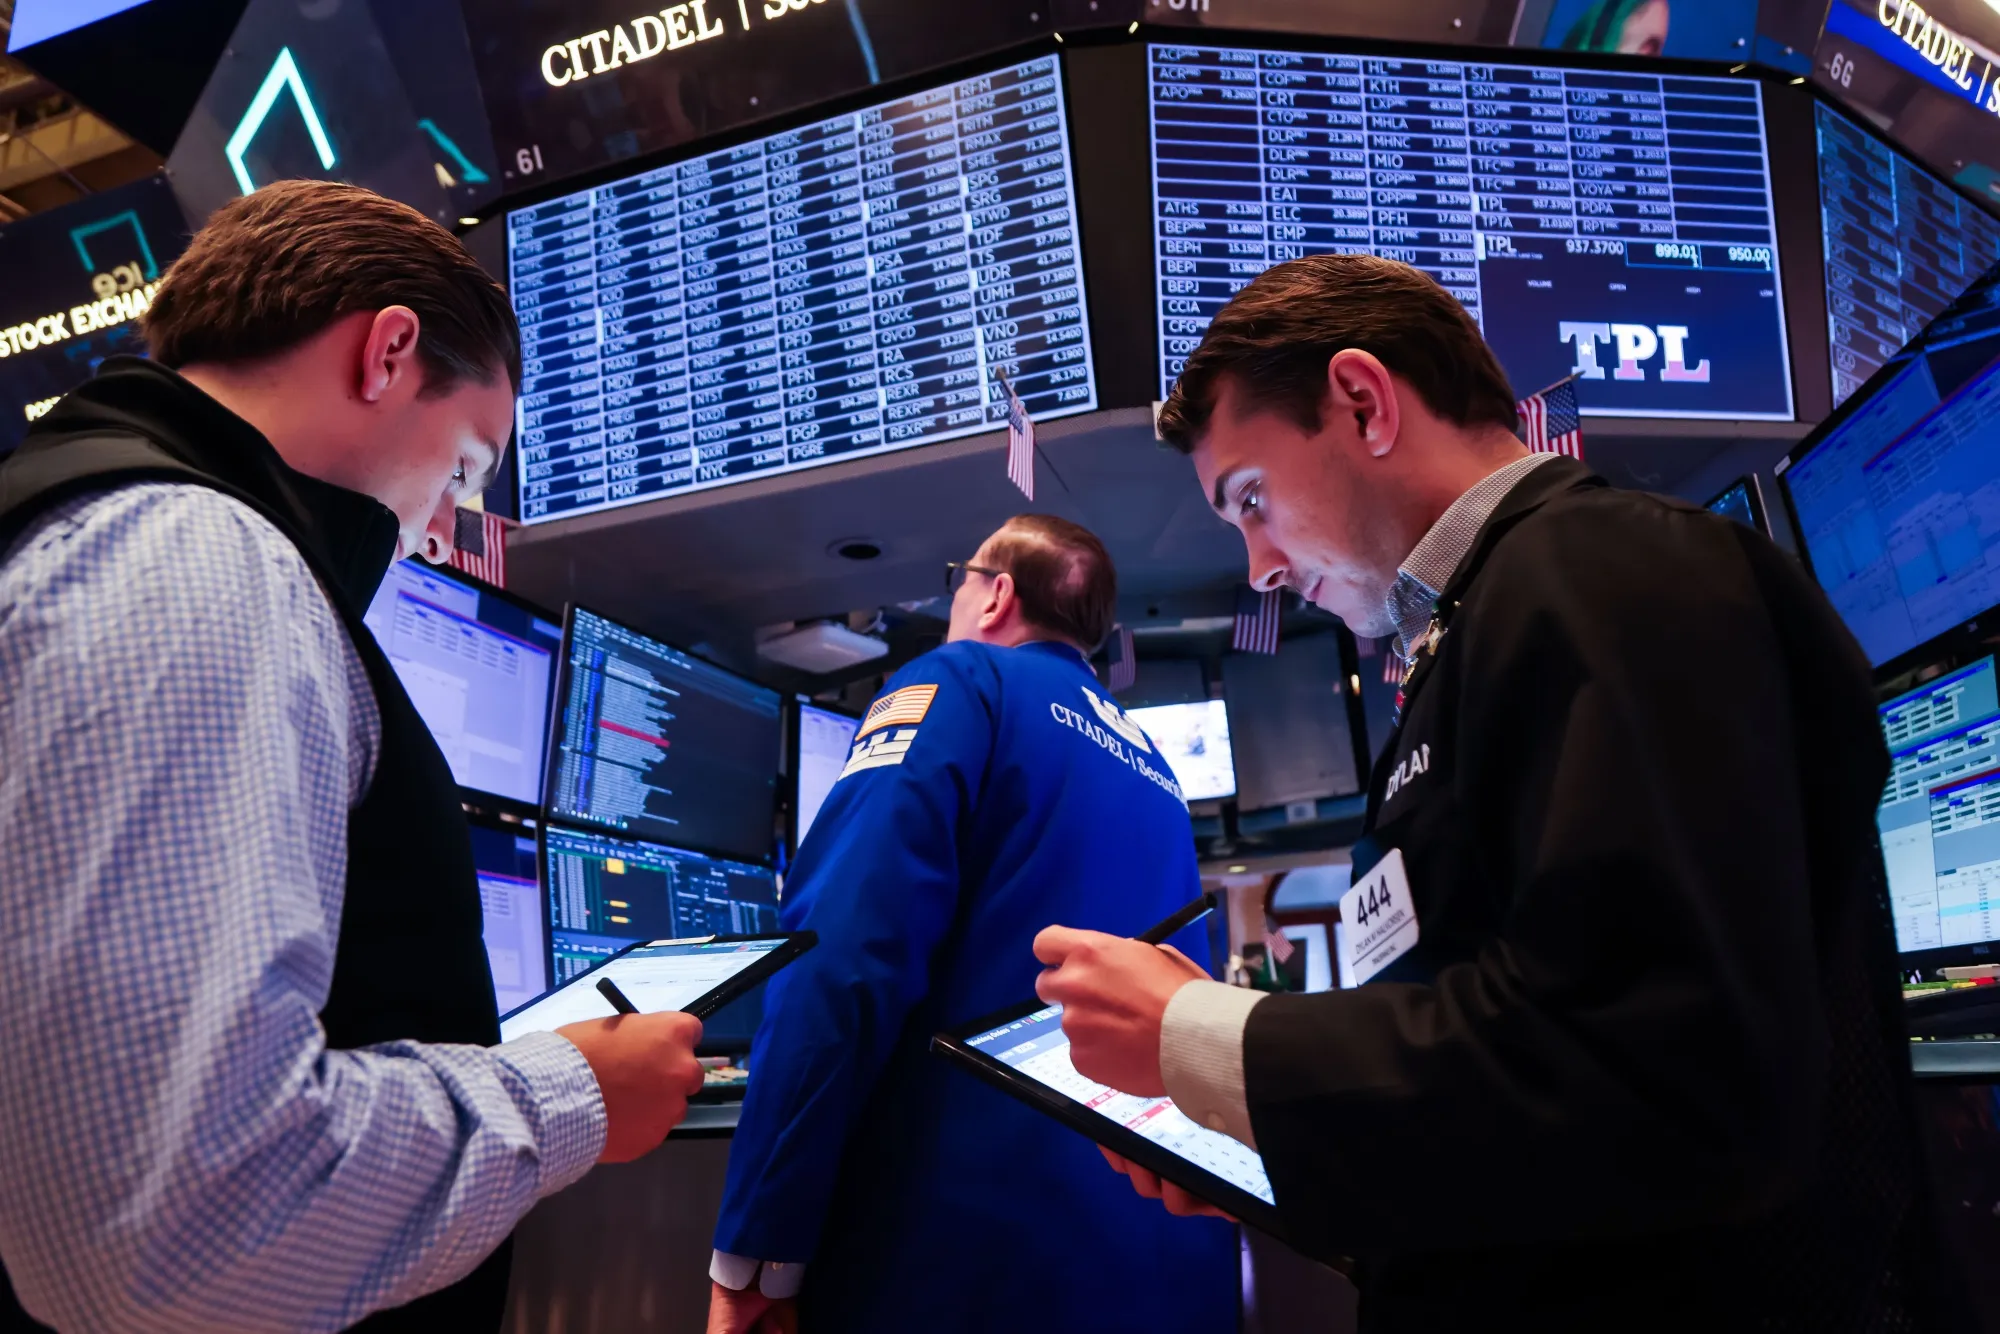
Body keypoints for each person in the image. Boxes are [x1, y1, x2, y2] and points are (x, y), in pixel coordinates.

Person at [1034, 254, 1946, 1328]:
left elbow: (1646, 1068)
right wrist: (1273, 1130)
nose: (1259, 567)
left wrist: (1200, 1030)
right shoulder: (1480, 629)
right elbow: (1501, 1066)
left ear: (1363, 402)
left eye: (1250, 498)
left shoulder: (1601, 568)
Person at [0, 181, 705, 1333]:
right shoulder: (193, 554)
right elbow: (167, 1216)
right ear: (386, 352)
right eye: (468, 466)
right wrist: (574, 1090)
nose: (441, 526)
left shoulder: (91, 518)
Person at [707, 515, 1237, 1334]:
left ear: (996, 595)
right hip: (1162, 1262)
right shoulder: (1157, 769)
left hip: (966, 1261)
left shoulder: (959, 682)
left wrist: (755, 1245)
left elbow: (842, 956)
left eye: (959, 579)